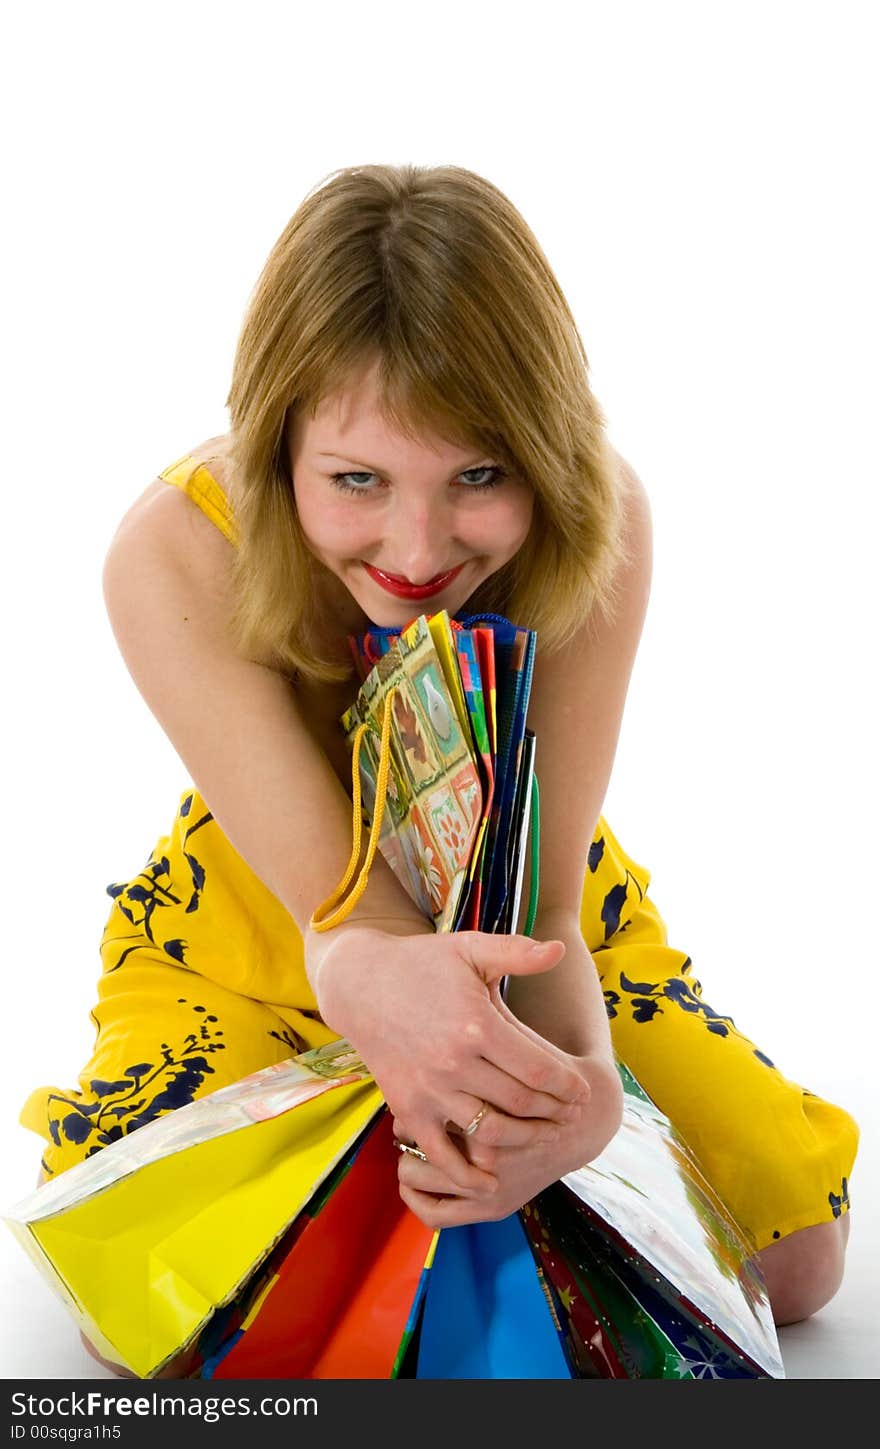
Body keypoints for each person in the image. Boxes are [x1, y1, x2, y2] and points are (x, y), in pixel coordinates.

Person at [19, 164, 857, 1374]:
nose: (417, 550)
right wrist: (394, 1013)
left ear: (547, 450)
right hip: (264, 929)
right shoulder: (171, 548)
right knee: (163, 1311)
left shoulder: (603, 523)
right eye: (356, 479)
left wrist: (586, 1101)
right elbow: (347, 923)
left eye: (480, 475)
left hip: (525, 914)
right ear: (278, 447)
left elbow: (553, 903)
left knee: (793, 1259)